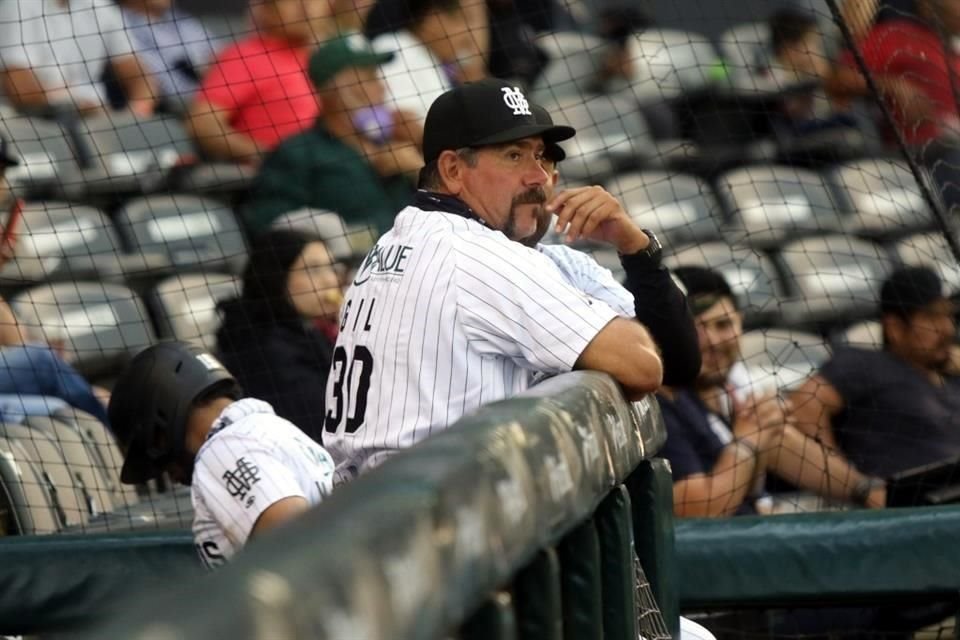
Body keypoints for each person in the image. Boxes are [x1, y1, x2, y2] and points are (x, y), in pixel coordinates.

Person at [323, 78, 663, 482]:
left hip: (363, 506)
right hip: (437, 512)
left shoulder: (392, 243)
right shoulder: (477, 253)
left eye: (540, 156)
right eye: (513, 156)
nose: (538, 176)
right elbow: (643, 366)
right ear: (452, 170)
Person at [657, 266, 885, 518]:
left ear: (740, 322)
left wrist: (865, 490)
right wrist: (748, 442)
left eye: (723, 325)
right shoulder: (663, 401)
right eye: (695, 329)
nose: (712, 341)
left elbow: (775, 441)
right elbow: (695, 512)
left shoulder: (729, 388)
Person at [108, 341, 336, 568]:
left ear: (159, 432)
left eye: (161, 463)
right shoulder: (269, 427)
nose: (171, 475)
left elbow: (295, 538)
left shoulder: (220, 451)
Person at [522, 104, 700, 388]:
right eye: (514, 156)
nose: (536, 177)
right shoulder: (452, 254)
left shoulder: (571, 265)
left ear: (554, 181)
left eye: (543, 161)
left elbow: (677, 365)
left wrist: (637, 250)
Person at [791, 266, 960, 478]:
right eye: (932, 317)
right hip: (906, 504)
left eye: (949, 316)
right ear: (895, 328)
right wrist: (849, 483)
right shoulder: (866, 364)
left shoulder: (951, 378)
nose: (948, 329)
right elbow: (804, 404)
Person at [243, 35, 420, 235]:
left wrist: (418, 170)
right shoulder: (298, 152)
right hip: (348, 262)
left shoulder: (397, 145)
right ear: (339, 90)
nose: (382, 88)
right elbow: (268, 222)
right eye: (370, 79)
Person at [217, 230, 344, 445]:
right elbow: (331, 415)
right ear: (277, 276)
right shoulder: (263, 347)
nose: (330, 280)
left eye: (331, 267)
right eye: (312, 270)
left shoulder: (303, 330)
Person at [186, 0, 334, 165]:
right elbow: (202, 124)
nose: (305, 7)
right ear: (265, 9)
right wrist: (269, 158)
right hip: (282, 178)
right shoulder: (245, 57)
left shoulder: (331, 58)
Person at [0, 0, 158, 118]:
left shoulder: (100, 7)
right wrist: (77, 103)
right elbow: (21, 90)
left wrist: (135, 115)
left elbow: (140, 78)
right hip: (34, 120)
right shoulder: (17, 6)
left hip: (100, 120)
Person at [368, 0, 488, 124]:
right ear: (433, 17)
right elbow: (400, 119)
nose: (466, 36)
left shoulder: (436, 61)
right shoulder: (393, 47)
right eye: (459, 20)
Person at [117, 0, 224, 112]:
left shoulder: (181, 19)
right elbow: (165, 88)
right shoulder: (118, 22)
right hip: (164, 111)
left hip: (210, 101)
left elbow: (224, 59)